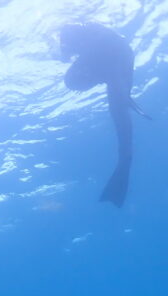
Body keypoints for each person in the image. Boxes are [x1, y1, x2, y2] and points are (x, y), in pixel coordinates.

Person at [60, 22, 150, 207]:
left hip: (116, 60)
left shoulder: (85, 41)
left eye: (90, 80)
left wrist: (66, 53)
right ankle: (124, 163)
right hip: (119, 61)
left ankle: (124, 163)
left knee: (119, 110)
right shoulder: (93, 50)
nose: (95, 82)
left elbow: (95, 44)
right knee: (119, 111)